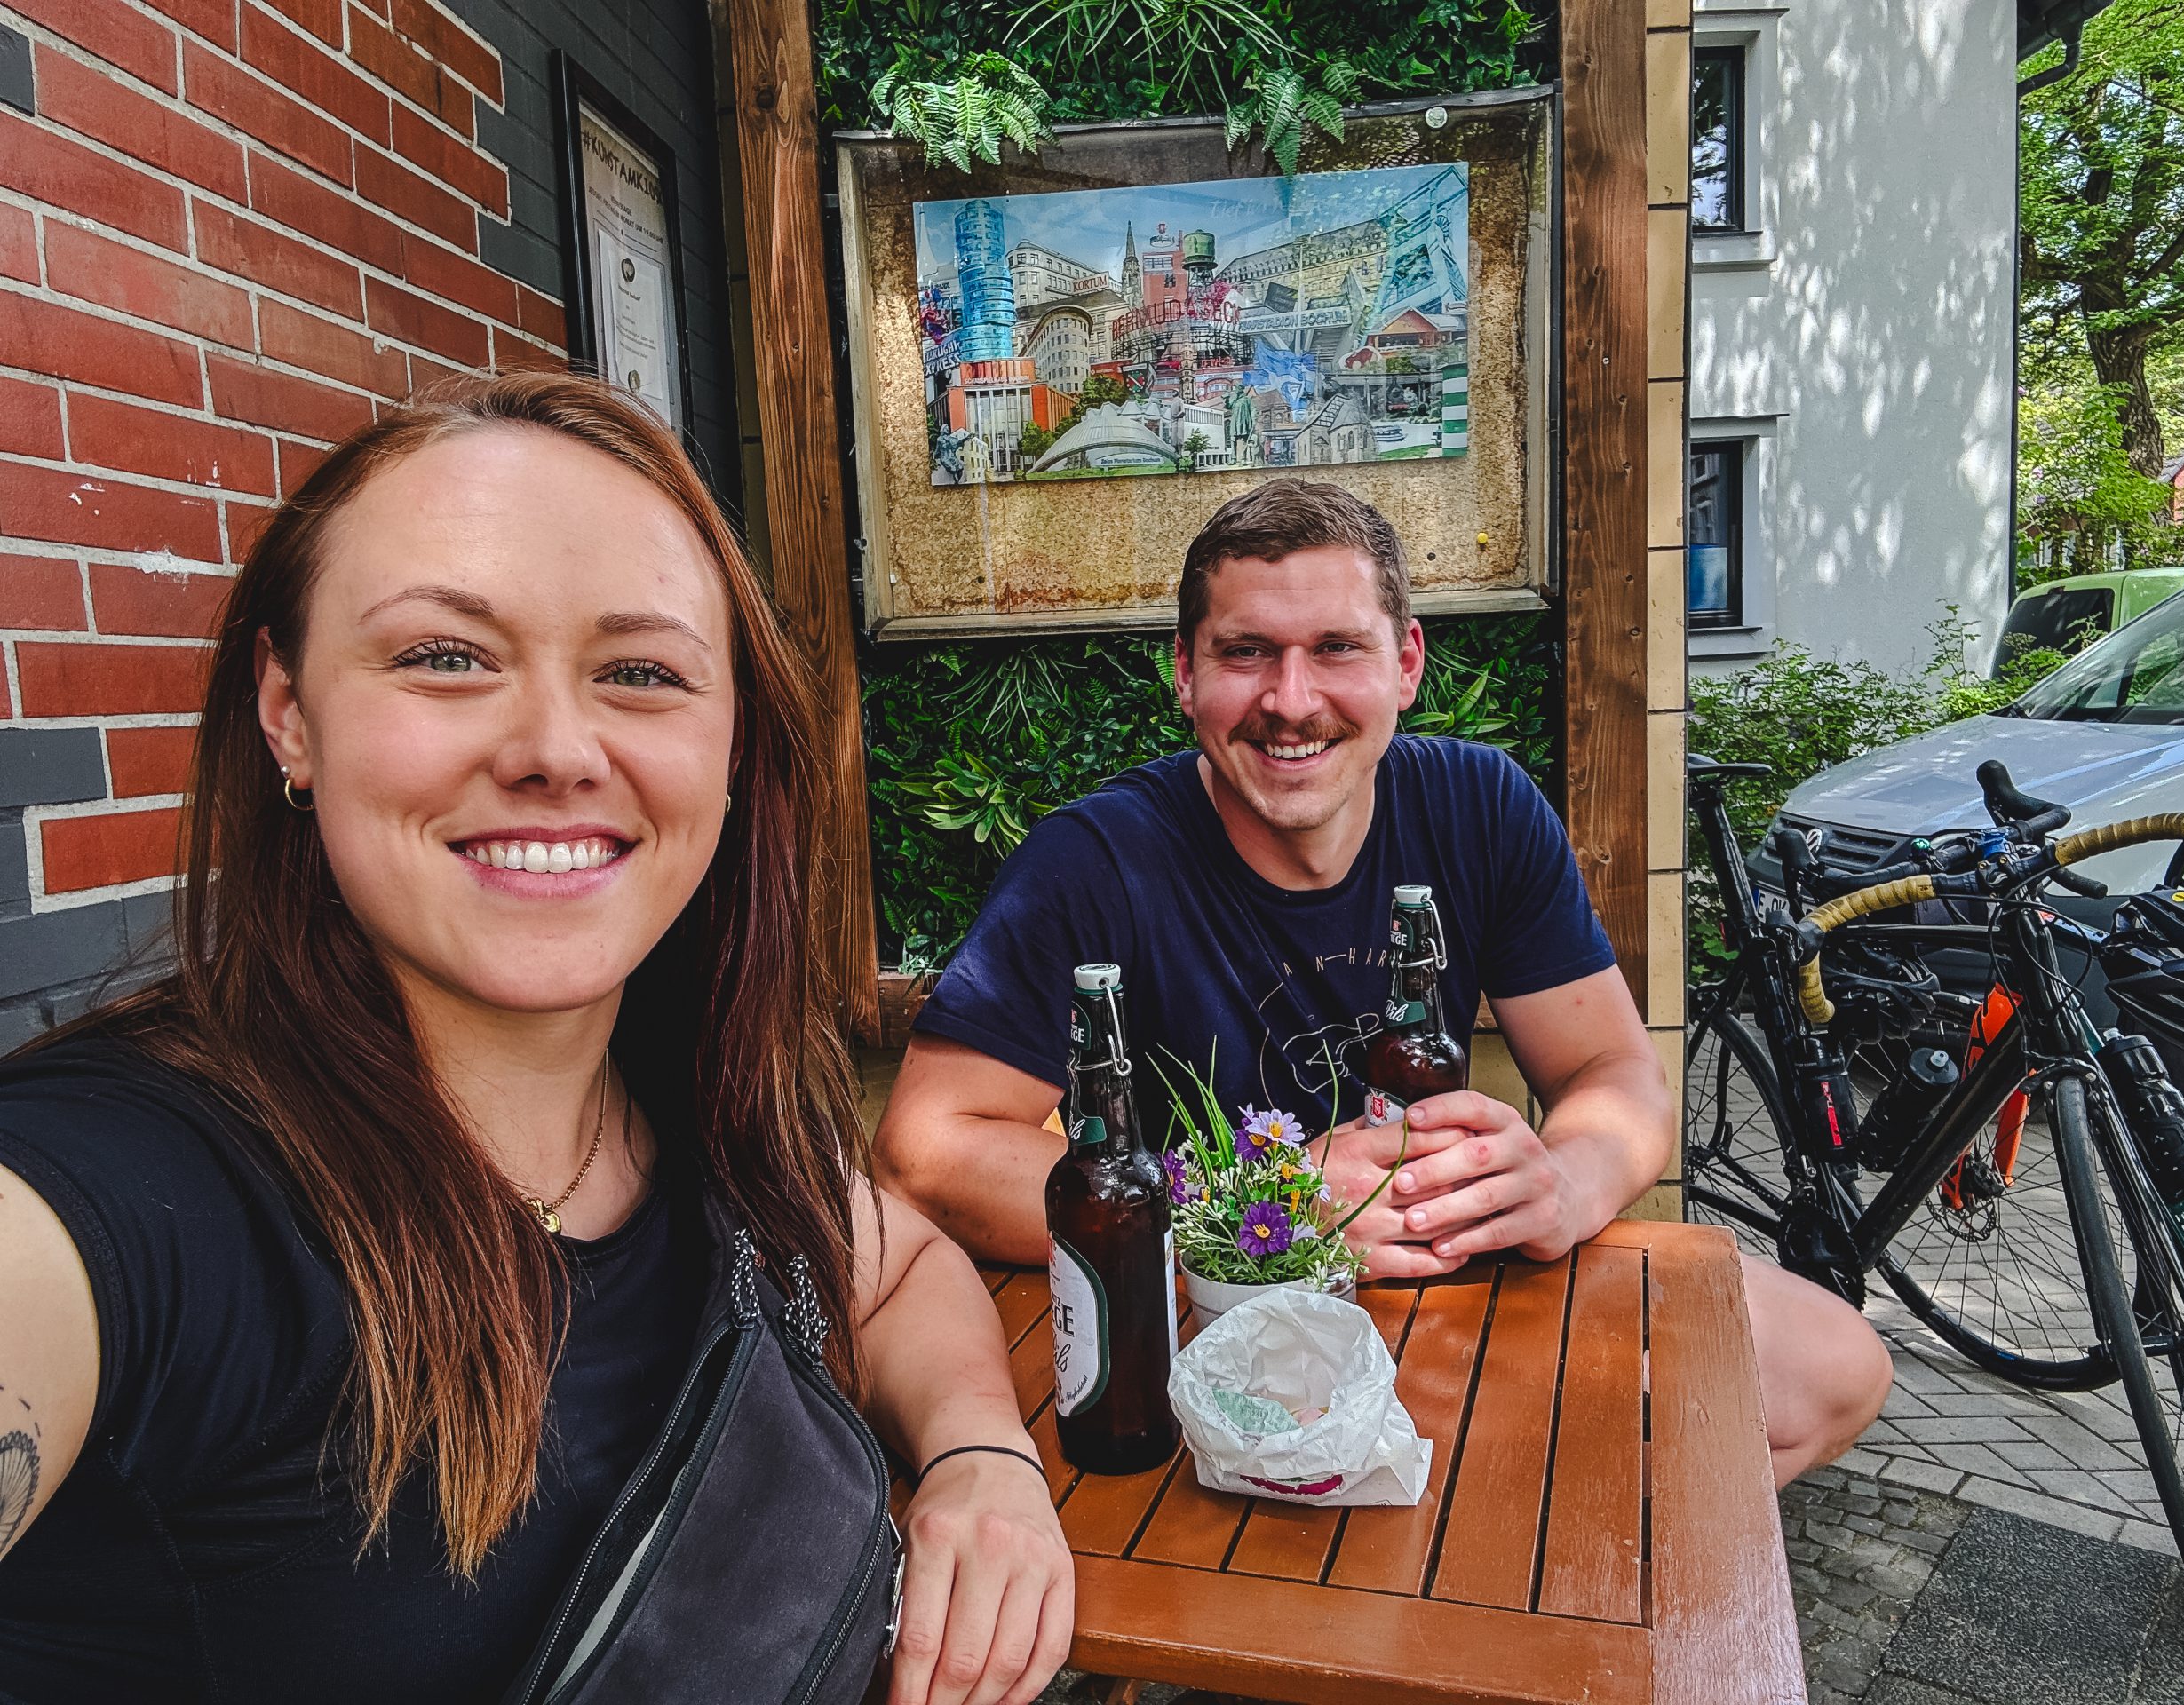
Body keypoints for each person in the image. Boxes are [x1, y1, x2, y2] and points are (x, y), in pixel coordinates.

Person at [0, 373, 1069, 1704]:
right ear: (288, 712)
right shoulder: (137, 1191)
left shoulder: (700, 1112)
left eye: (641, 672)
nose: (557, 748)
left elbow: (896, 1265)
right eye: (445, 657)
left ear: (735, 746)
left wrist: (982, 1456)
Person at [874, 477, 1891, 1485]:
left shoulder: (1479, 804)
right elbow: (927, 1153)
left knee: (1829, 1370)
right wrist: (1257, 1204)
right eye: (1244, 653)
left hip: (1450, 1279)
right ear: (1183, 674)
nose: (1290, 700)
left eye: (1336, 648)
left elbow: (1610, 1074)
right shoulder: (1091, 862)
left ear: (1405, 664)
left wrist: (1561, 1184)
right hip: (1225, 1309)